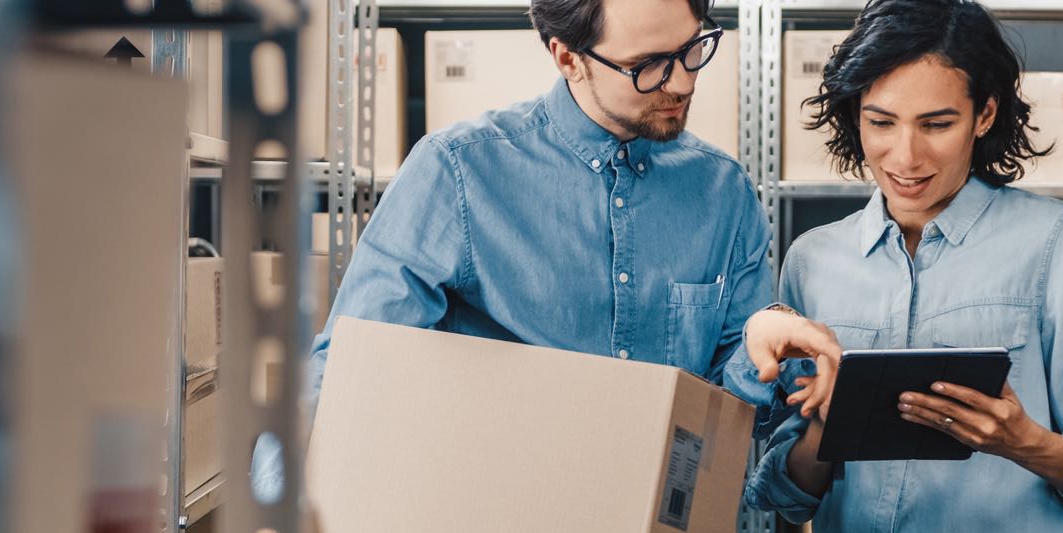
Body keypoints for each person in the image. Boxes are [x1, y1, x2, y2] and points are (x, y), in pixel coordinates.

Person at [303, 0, 841, 438]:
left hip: (660, 520)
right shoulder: (458, 173)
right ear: (567, 58)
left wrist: (761, 345)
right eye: (649, 65)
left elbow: (733, 406)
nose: (681, 82)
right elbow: (348, 372)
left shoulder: (723, 192)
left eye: (691, 48)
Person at [742, 0, 1063, 533]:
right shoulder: (812, 260)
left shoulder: (1054, 240)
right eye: (881, 122)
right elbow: (789, 497)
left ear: (984, 115)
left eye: (937, 124)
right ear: (855, 113)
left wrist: (1024, 443)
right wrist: (824, 427)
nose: (906, 156)